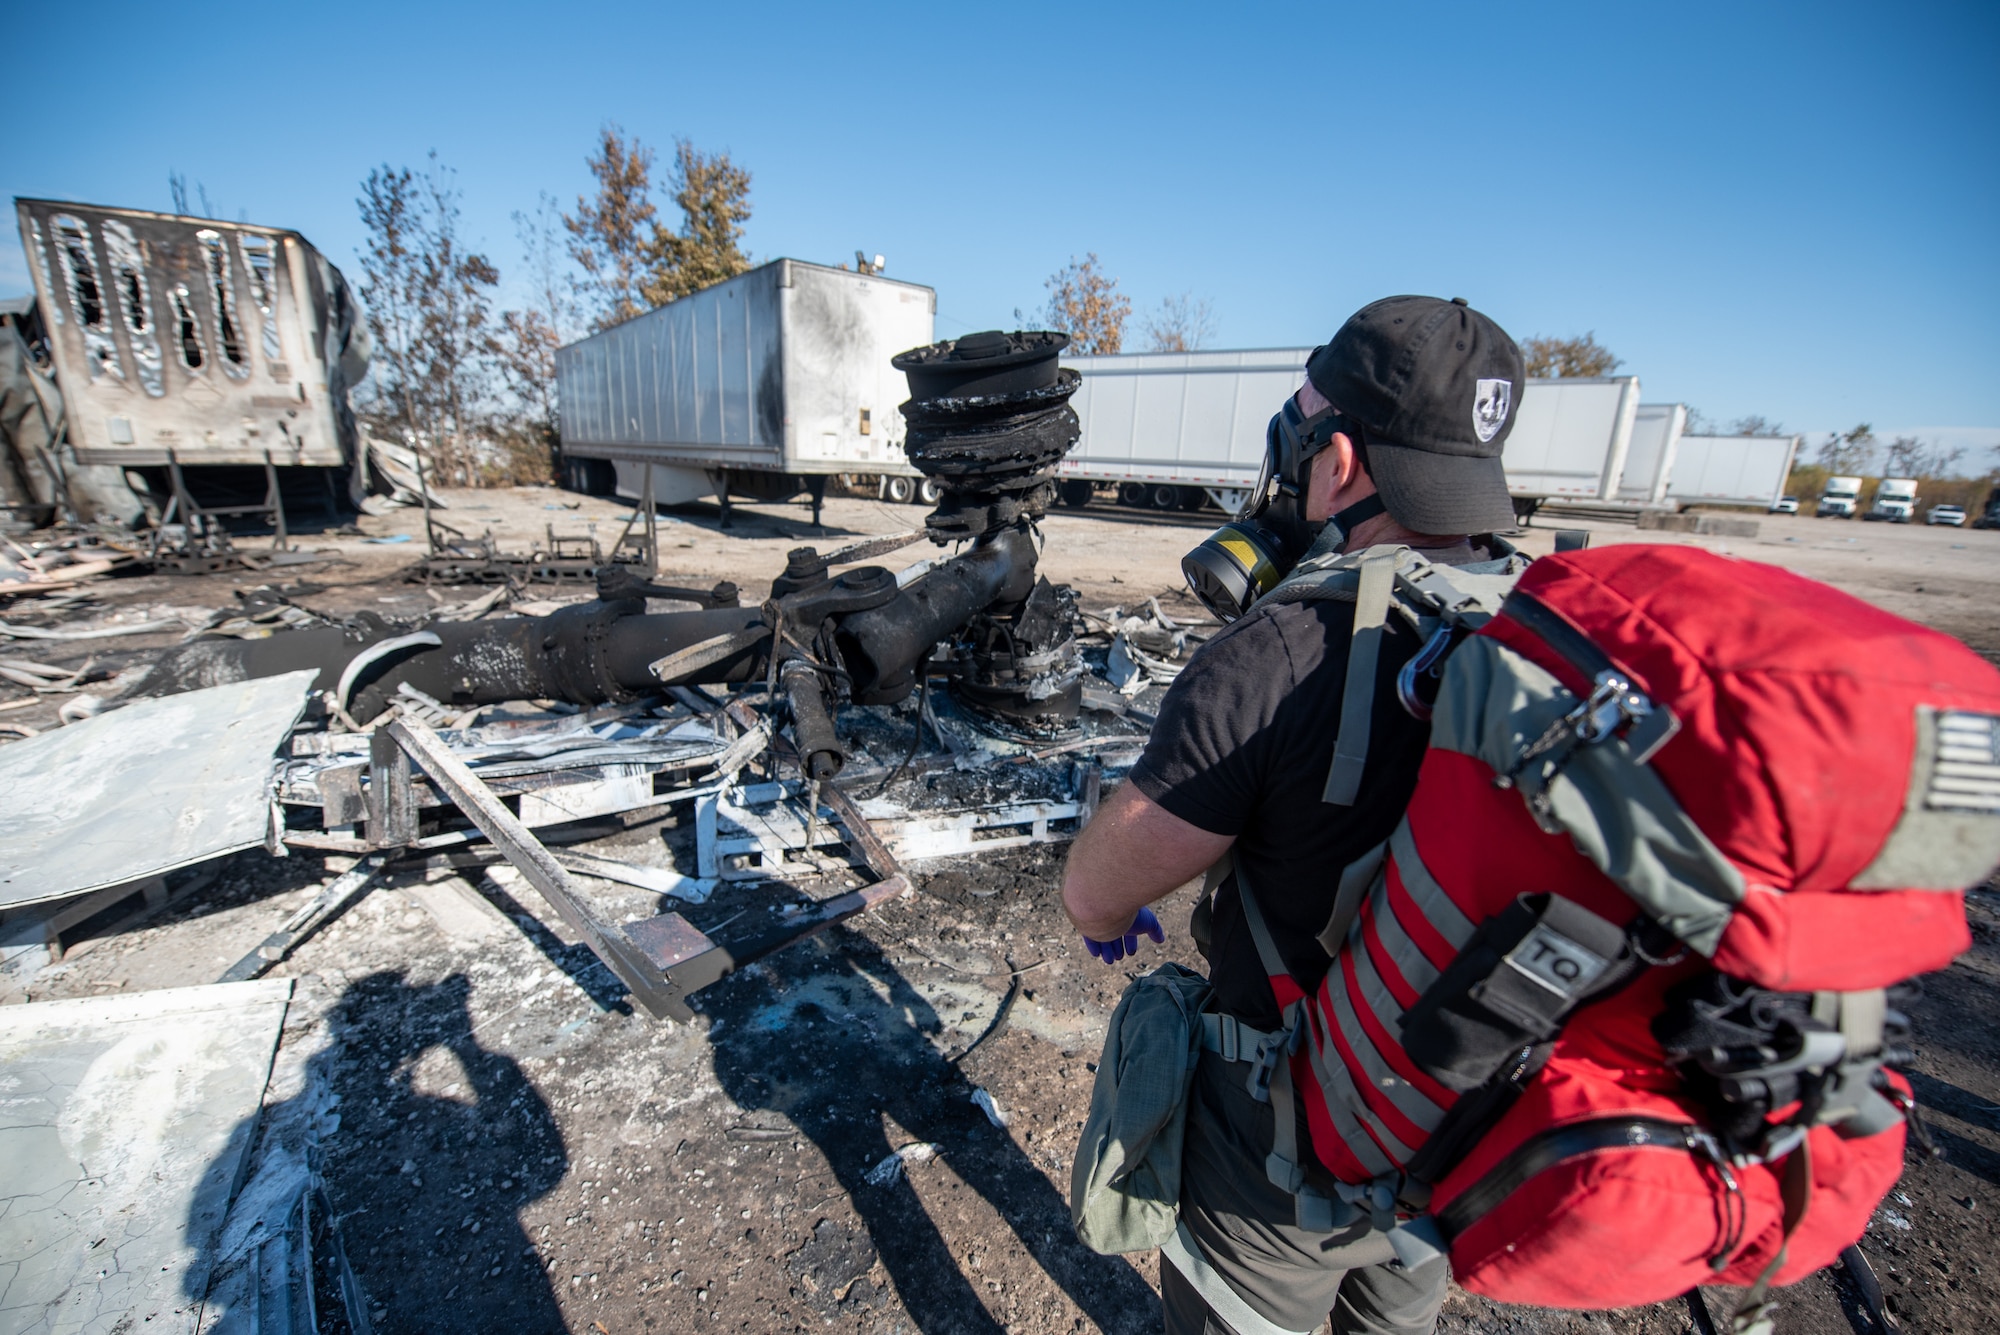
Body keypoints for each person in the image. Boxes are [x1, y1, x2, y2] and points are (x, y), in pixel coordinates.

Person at [1062, 295, 1526, 1335]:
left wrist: (1101, 918)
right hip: (1459, 1110)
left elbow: (1097, 887)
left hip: (1282, 1138)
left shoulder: (1276, 654)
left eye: (1298, 427)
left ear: (1340, 461)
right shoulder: (1546, 627)